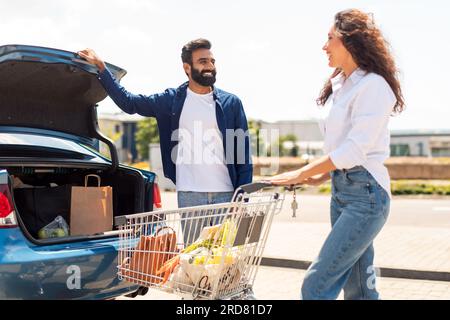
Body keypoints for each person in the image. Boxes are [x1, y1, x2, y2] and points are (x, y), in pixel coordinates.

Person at [269, 9, 404, 300]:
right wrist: (320, 176)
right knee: (359, 291)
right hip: (343, 193)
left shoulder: (374, 86)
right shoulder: (341, 86)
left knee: (316, 287)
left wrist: (301, 172)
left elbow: (355, 149)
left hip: (366, 197)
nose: (324, 46)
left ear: (351, 42)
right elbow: (339, 147)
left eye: (330, 38)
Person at [78, 39, 252, 244]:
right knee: (195, 259)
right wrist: (102, 69)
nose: (210, 66)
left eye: (212, 61)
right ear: (187, 68)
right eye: (203, 61)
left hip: (227, 195)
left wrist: (242, 198)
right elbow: (130, 103)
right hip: (191, 195)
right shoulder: (171, 101)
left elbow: (242, 153)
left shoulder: (231, 103)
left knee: (227, 262)